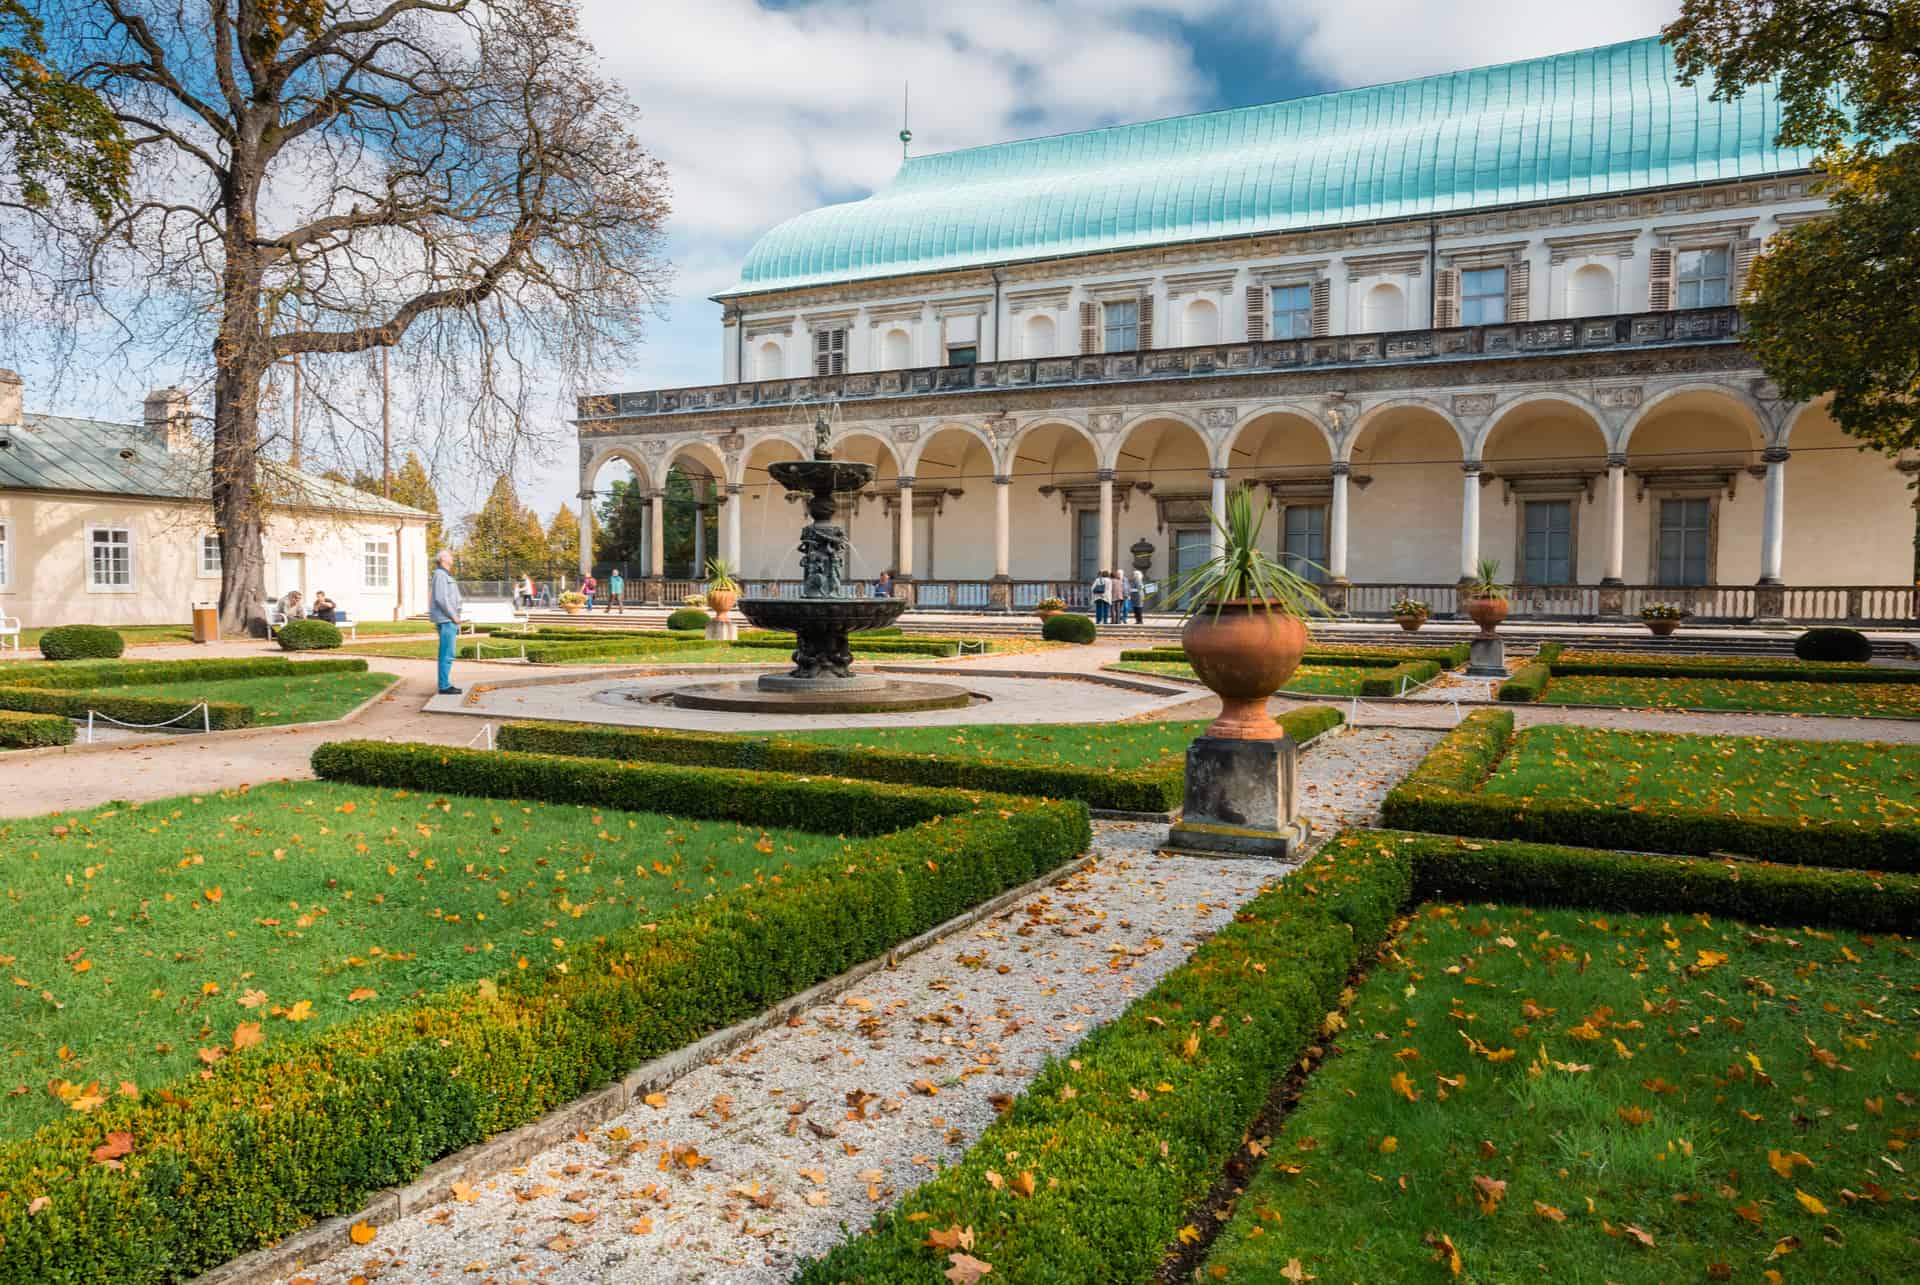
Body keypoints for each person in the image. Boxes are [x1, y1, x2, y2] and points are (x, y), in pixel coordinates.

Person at [429, 549, 464, 695]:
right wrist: (453, 616)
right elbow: (441, 598)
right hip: (447, 619)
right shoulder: (440, 575)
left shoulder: (444, 574)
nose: (452, 557)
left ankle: (445, 684)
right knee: (447, 653)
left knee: (448, 653)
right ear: (443, 559)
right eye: (450, 555)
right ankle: (444, 686)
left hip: (448, 618)